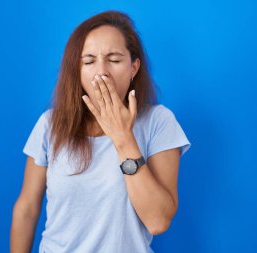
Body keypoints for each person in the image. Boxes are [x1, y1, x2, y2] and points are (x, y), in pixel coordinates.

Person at [10, 10, 191, 253]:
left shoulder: (159, 122)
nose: (101, 72)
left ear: (133, 67)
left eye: (114, 60)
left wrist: (123, 138)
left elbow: (158, 221)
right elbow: (27, 208)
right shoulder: (49, 124)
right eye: (88, 61)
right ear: (77, 70)